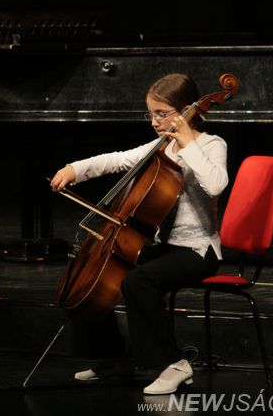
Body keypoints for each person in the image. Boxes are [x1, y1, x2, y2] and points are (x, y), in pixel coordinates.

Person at [50, 73, 228, 395]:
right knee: (98, 272)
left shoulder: (211, 145)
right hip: (164, 246)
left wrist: (187, 144)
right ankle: (116, 358)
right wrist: (74, 169)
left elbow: (216, 184)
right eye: (151, 114)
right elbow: (117, 160)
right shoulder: (161, 147)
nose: (155, 121)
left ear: (186, 111)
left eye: (162, 113)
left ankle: (174, 364)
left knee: (138, 280)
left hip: (197, 250)